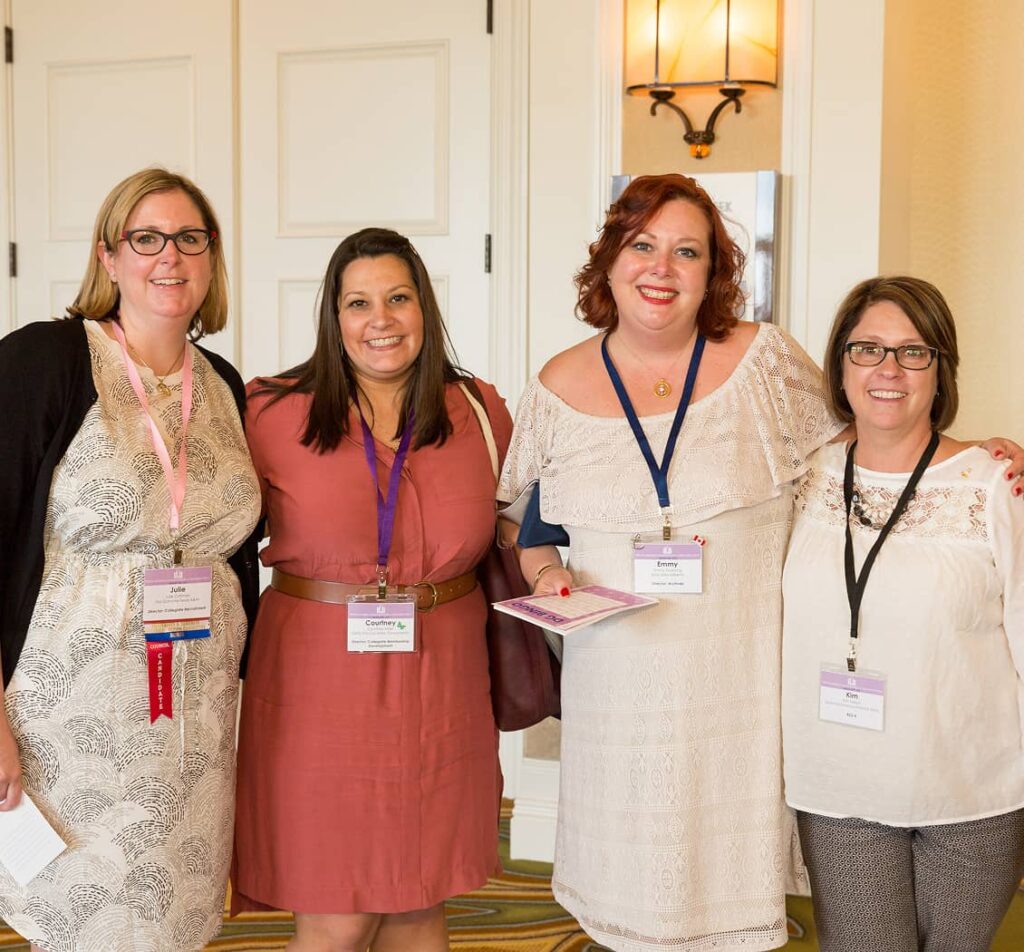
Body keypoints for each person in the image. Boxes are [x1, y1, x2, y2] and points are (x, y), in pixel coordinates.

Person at [497, 174, 1024, 952]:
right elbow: (523, 521)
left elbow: (862, 433)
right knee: (628, 914)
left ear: (715, 274)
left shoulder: (763, 362)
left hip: (741, 701)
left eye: (688, 252)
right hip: (619, 703)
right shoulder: (556, 387)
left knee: (734, 913)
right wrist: (548, 577)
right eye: (642, 245)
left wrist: (972, 457)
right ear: (609, 260)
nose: (661, 267)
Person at [0, 168, 260, 952]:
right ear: (109, 258)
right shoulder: (44, 360)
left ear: (211, 259)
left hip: (197, 706)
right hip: (73, 708)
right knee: (89, 916)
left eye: (190, 238)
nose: (168, 257)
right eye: (145, 239)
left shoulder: (223, 386)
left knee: (169, 909)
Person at [231, 227, 510, 951]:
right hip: (319, 682)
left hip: (445, 674)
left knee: (421, 901)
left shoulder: (479, 410)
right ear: (333, 316)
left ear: (424, 309)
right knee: (338, 913)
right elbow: (207, 530)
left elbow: (520, 525)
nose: (379, 319)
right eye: (358, 303)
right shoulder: (269, 411)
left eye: (397, 298)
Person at [781, 276, 1024, 952]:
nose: (889, 370)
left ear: (940, 370)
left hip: (970, 788)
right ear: (840, 364)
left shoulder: (994, 485)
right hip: (839, 787)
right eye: (868, 349)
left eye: (914, 352)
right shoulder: (802, 475)